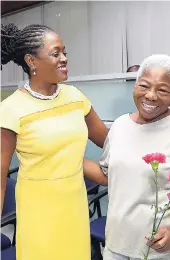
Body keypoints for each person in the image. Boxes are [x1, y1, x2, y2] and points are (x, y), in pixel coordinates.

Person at [0, 23, 108, 260]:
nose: (64, 59)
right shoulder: (10, 110)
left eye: (65, 52)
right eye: (55, 53)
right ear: (31, 61)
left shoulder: (75, 97)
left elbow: (109, 141)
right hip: (38, 210)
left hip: (75, 205)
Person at [84, 54, 170, 260]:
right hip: (115, 246)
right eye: (144, 86)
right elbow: (108, 175)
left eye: (162, 90)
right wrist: (65, 156)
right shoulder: (120, 125)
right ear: (134, 86)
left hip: (162, 252)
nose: (150, 95)